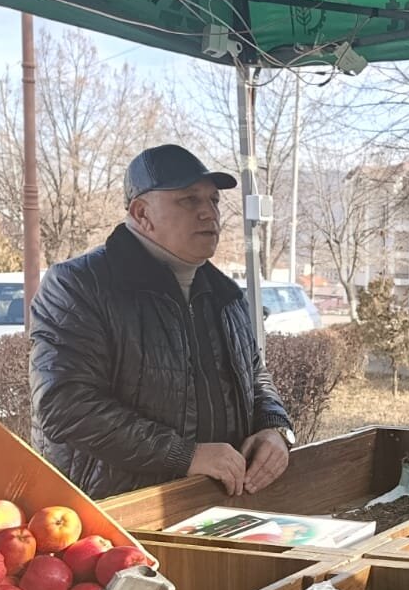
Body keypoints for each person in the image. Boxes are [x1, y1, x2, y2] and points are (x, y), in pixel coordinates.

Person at [30, 144, 295, 501]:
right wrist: (185, 455)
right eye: (189, 200)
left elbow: (254, 375)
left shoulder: (225, 293)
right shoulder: (79, 285)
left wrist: (275, 428)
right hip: (115, 513)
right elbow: (65, 406)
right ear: (142, 213)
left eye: (214, 200)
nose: (209, 213)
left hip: (220, 505)